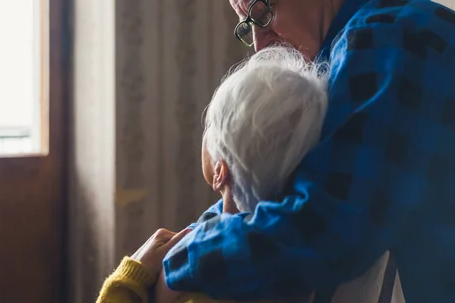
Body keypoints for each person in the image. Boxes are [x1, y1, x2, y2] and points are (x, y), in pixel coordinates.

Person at [161, 0, 455, 303]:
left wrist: (181, 258)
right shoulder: (357, 49)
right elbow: (297, 189)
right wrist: (196, 235)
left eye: (263, 13)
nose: (260, 45)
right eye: (247, 26)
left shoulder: (386, 35)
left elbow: (329, 226)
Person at [96, 47, 391, 303]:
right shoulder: (290, 256)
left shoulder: (207, 282)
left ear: (220, 171)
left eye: (211, 127)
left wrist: (129, 279)